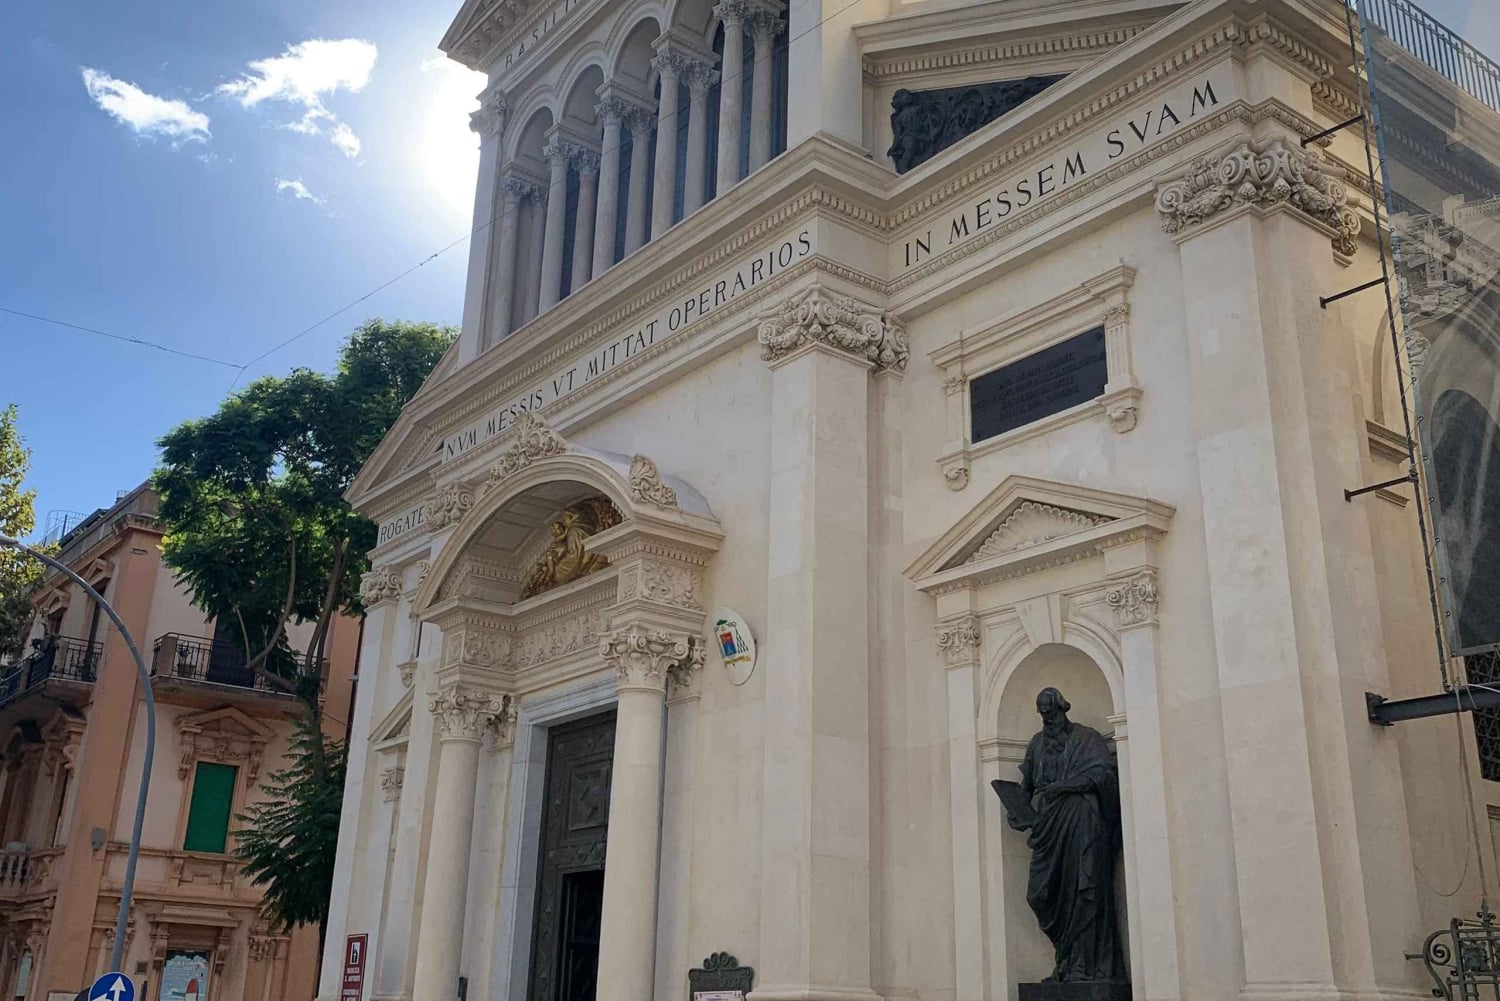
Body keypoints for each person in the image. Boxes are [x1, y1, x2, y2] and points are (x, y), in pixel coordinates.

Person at [1014, 687, 1127, 984]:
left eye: (1051, 713)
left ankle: (1084, 967)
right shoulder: (1036, 744)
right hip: (1049, 830)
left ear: (1063, 709)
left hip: (1083, 825)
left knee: (1083, 890)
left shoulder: (1086, 738)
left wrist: (1064, 787)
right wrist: (1018, 809)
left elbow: (1103, 773)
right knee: (1039, 895)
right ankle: (1065, 959)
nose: (1048, 720)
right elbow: (1026, 785)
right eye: (1043, 715)